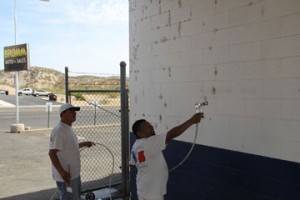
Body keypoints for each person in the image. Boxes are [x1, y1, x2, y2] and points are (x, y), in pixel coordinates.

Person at [130, 112, 204, 200]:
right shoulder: (150, 142)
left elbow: (133, 165)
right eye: (148, 127)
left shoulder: (136, 145)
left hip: (143, 188)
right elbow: (172, 134)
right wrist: (192, 120)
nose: (152, 127)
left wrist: (152, 171)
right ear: (140, 133)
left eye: (151, 125)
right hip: (153, 192)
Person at [49, 103, 95, 200]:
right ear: (62, 114)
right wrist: (62, 172)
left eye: (74, 111)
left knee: (75, 197)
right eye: (70, 111)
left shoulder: (68, 128)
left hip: (73, 174)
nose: (74, 113)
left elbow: (69, 147)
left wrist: (84, 143)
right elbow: (52, 153)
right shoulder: (59, 130)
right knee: (68, 197)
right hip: (66, 176)